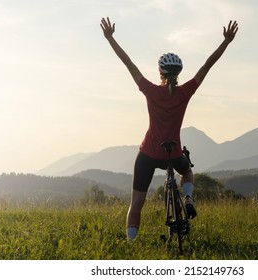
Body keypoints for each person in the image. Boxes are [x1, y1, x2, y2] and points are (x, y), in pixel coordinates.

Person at [100, 17, 238, 241]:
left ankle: (131, 244)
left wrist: (110, 38)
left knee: (136, 205)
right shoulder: (185, 92)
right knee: (188, 172)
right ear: (178, 73)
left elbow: (129, 64)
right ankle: (188, 198)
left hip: (147, 154)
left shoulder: (151, 91)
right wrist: (226, 42)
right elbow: (206, 66)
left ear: (160, 73)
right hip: (172, 154)